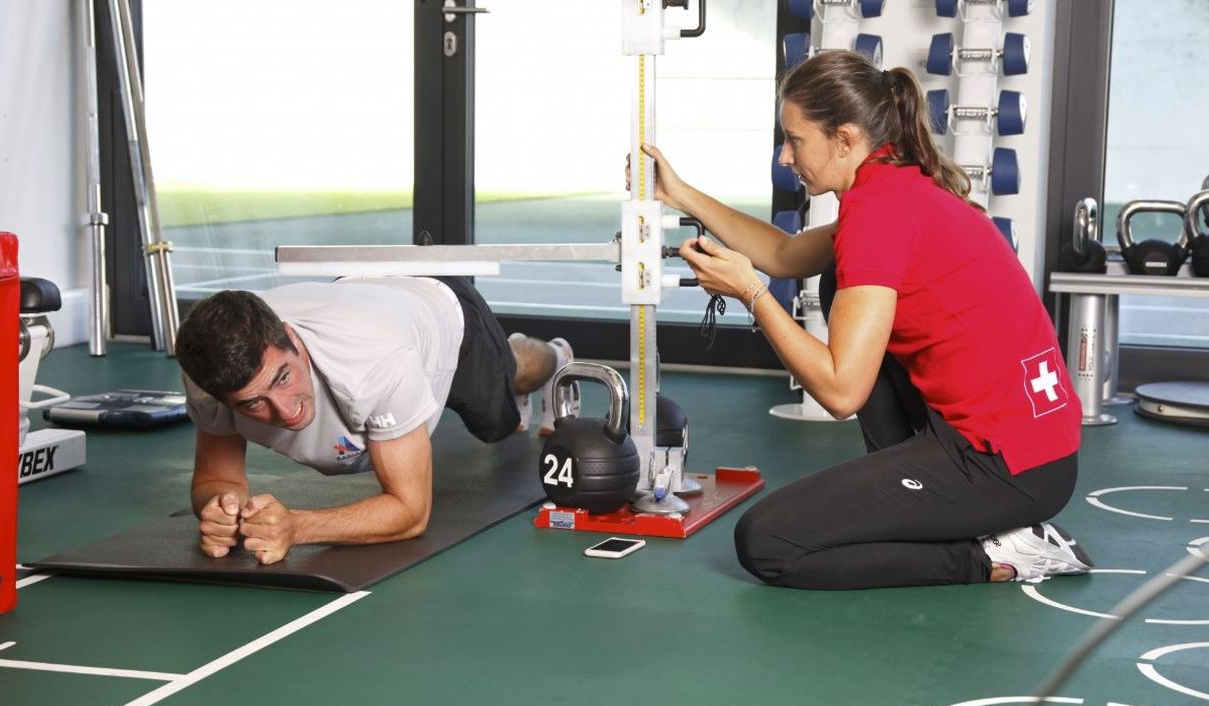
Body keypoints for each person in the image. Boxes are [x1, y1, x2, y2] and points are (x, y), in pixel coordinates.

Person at [653, 51, 1092, 589]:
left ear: (844, 139)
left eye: (796, 140)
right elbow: (787, 255)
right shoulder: (893, 183)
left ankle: (998, 556)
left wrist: (750, 292)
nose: (786, 157)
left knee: (769, 543)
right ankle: (918, 502)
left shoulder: (876, 215)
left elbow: (840, 393)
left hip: (1004, 469)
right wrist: (679, 192)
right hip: (1035, 452)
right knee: (838, 275)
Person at [175, 276, 574, 565]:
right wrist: (220, 510)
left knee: (502, 409)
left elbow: (410, 511)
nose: (283, 411)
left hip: (443, 314)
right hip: (366, 296)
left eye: (283, 377)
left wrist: (296, 527)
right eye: (252, 404)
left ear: (293, 340)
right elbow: (217, 478)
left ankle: (557, 357)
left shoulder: (374, 361)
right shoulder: (208, 375)